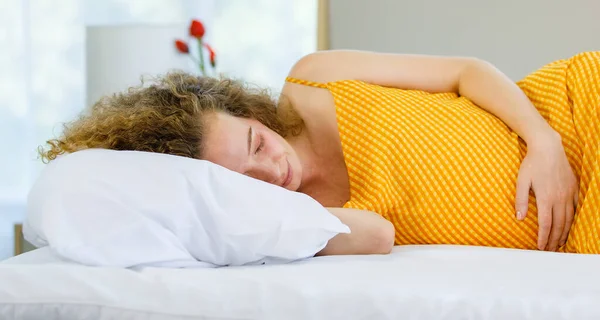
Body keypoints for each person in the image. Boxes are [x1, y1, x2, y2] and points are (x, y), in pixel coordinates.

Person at [39, 50, 600, 255]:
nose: (271, 168)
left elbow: (465, 71)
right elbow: (378, 236)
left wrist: (544, 142)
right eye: (245, 179)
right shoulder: (297, 225)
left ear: (249, 113)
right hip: (582, 229)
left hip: (568, 115)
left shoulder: (314, 81)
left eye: (256, 143)